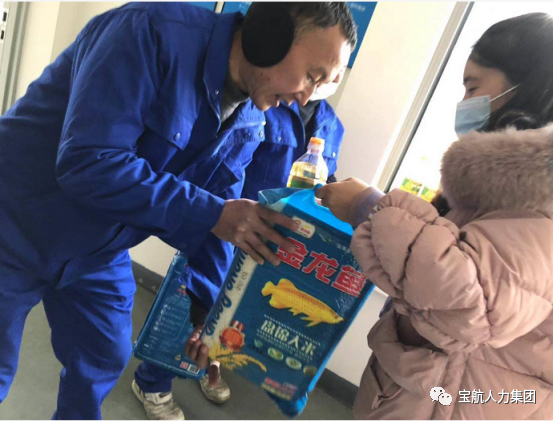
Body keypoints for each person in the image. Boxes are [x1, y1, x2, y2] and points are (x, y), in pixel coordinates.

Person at [0, 2, 356, 419]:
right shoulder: (148, 34)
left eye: (322, 85)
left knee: (102, 353)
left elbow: (224, 217)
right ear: (268, 36)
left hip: (97, 249)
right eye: (312, 76)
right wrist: (213, 213)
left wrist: (210, 314)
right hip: (15, 225)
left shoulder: (249, 119)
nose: (306, 97)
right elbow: (88, 162)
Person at [315, 12, 553, 419]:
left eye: (473, 87)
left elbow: (469, 303)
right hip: (437, 391)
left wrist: (368, 208)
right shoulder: (503, 191)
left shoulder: (541, 197)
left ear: (530, 88)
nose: (464, 104)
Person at [132, 73, 349, 419]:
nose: (324, 82)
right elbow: (225, 167)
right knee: (194, 308)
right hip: (228, 228)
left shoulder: (333, 126)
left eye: (334, 75)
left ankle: (209, 369)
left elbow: (322, 183)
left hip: (272, 245)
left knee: (236, 323)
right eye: (318, 73)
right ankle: (151, 382)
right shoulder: (265, 101)